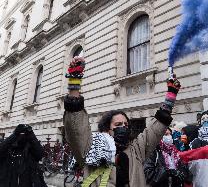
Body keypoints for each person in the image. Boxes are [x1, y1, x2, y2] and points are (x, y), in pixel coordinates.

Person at [63, 57, 181, 187]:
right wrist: (74, 81)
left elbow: (155, 130)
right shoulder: (91, 148)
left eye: (126, 125)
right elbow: (76, 128)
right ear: (107, 129)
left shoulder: (136, 149)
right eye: (118, 125)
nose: (123, 128)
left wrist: (170, 97)